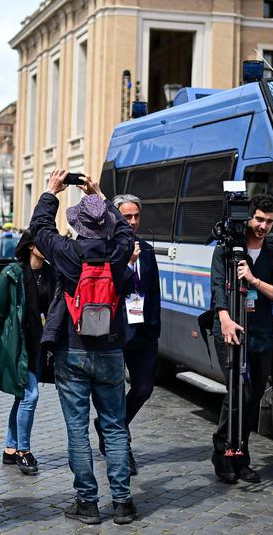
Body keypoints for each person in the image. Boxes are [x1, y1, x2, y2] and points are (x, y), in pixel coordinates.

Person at [30, 170, 137, 526]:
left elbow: (40, 229)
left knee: (77, 429)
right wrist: (101, 195)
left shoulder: (68, 252)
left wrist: (51, 192)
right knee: (115, 426)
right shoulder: (119, 252)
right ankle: (122, 502)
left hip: (72, 349)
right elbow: (124, 229)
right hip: (110, 348)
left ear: (78, 226)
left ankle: (87, 503)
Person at [207, 193, 273, 485]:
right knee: (239, 392)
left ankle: (241, 457)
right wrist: (225, 318)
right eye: (258, 219)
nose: (263, 226)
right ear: (249, 218)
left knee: (253, 398)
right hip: (229, 330)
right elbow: (218, 288)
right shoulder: (227, 251)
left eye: (268, 221)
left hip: (260, 335)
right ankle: (223, 452)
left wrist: (254, 281)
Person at [92, 194, 161, 476]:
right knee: (115, 394)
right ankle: (122, 445)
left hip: (143, 331)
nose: (132, 222)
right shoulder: (107, 249)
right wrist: (128, 264)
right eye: (126, 217)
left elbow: (154, 290)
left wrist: (155, 327)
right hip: (115, 332)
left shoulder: (146, 249)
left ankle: (107, 425)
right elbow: (106, 289)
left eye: (136, 217)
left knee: (144, 389)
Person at [0, 229, 52, 476]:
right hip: (17, 346)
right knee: (30, 397)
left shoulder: (50, 273)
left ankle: (10, 449)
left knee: (22, 396)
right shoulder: (12, 275)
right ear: (32, 246)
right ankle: (24, 450)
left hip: (40, 346)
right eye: (44, 241)